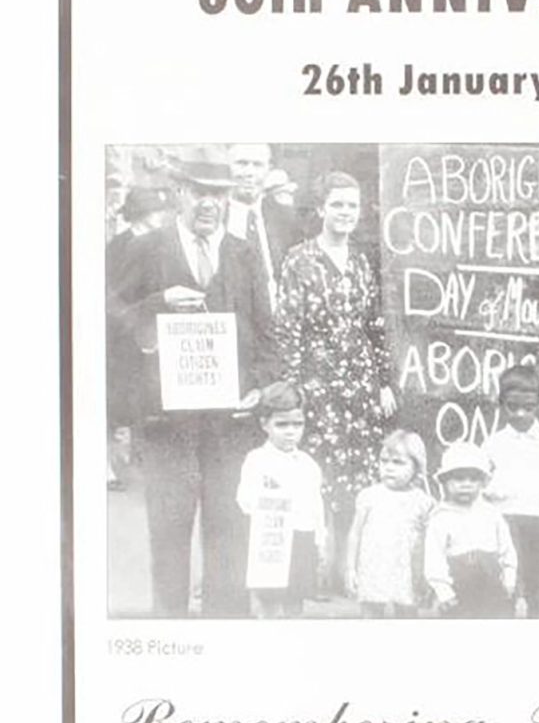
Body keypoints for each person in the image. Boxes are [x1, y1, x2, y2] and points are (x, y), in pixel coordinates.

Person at [111, 158, 277, 617]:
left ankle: (223, 637)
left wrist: (260, 388)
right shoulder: (148, 249)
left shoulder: (243, 252)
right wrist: (157, 302)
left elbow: (267, 333)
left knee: (229, 533)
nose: (210, 202)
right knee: (169, 533)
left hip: (231, 425)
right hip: (168, 426)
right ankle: (170, 637)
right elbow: (109, 319)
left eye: (219, 194)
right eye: (199, 191)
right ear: (178, 193)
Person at [274, 171, 398, 585]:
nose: (346, 213)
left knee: (356, 479)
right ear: (321, 209)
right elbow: (289, 330)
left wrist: (383, 383)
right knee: (318, 478)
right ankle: (315, 571)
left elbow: (374, 325)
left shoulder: (362, 262)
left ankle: (348, 569)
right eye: (338, 205)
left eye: (352, 205)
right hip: (317, 387)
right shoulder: (299, 260)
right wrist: (294, 391)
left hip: (360, 388)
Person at [484, 364, 539, 618]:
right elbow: (481, 486)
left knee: (536, 587)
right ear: (501, 404)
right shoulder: (493, 444)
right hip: (505, 522)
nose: (521, 413)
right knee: (505, 586)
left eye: (529, 407)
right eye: (513, 406)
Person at [235, 382, 326, 618]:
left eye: (297, 425)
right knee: (268, 604)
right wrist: (276, 505)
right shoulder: (256, 460)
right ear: (265, 424)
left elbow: (316, 505)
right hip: (270, 542)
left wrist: (320, 539)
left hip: (301, 539)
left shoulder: (308, 464)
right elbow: (245, 500)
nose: (290, 431)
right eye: (282, 424)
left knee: (295, 602)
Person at [106, 185, 170, 487]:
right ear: (142, 215)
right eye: (156, 212)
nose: (161, 217)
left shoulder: (158, 243)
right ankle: (119, 458)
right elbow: (113, 295)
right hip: (126, 332)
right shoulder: (120, 246)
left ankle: (143, 451)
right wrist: (131, 322)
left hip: (154, 329)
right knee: (124, 394)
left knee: (149, 391)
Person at [345, 429, 434, 618]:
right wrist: (350, 568)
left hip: (407, 571)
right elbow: (355, 533)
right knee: (371, 613)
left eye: (398, 462)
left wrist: (428, 576)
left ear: (416, 468)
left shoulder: (422, 501)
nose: (389, 467)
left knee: (407, 614)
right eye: (383, 461)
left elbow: (429, 542)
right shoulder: (369, 496)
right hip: (373, 568)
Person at [424, 442, 517, 619]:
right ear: (445, 481)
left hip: (491, 582)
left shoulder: (491, 513)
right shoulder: (440, 517)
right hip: (459, 585)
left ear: (482, 483)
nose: (466, 484)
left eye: (473, 479)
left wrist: (509, 576)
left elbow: (507, 548)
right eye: (459, 479)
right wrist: (443, 591)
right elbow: (434, 557)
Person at [226, 143, 303, 310]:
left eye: (257, 165)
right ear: (227, 166)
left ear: (269, 169)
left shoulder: (286, 220)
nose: (249, 173)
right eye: (241, 164)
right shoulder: (214, 219)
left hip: (276, 323)